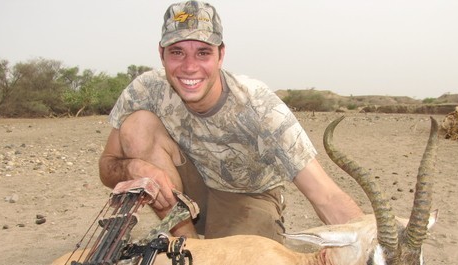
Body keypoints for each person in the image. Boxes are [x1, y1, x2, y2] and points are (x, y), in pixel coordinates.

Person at [99, 1, 363, 242]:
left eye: (203, 53)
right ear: (161, 54)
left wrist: (370, 243)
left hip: (246, 194)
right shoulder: (145, 90)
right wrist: (135, 168)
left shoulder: (260, 106)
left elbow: (326, 195)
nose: (189, 67)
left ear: (220, 55)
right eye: (177, 52)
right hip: (189, 186)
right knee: (137, 124)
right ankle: (187, 243)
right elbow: (107, 167)